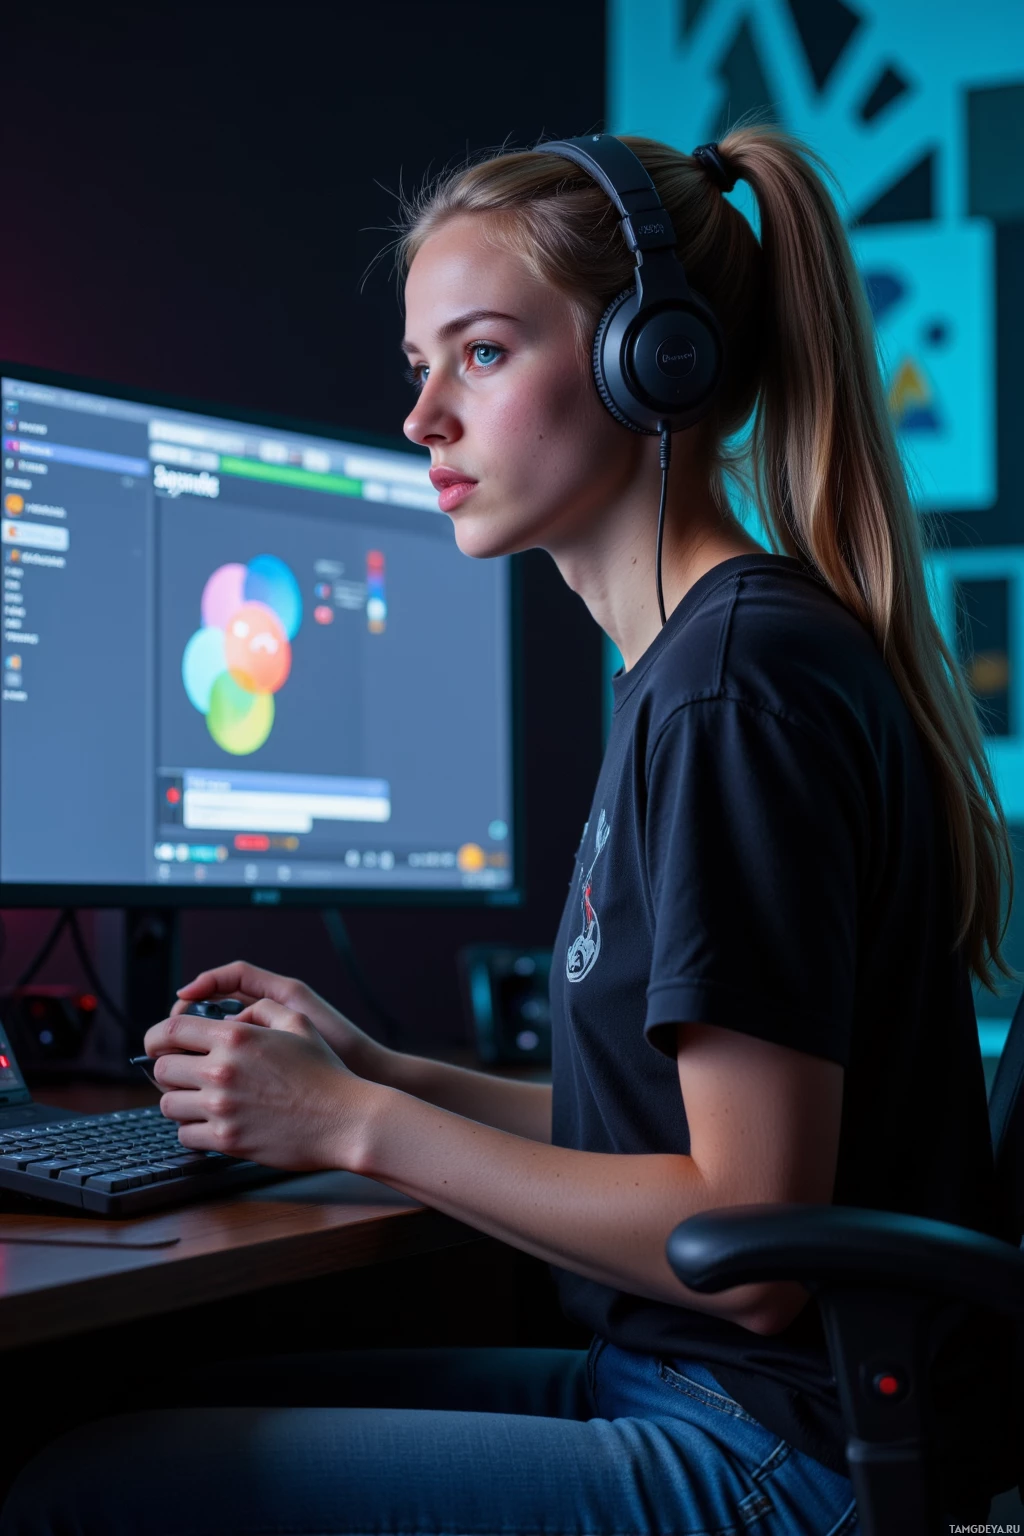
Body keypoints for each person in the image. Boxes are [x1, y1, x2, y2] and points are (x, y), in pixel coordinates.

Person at [1, 124, 1014, 1535]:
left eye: (478, 354)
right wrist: (381, 1068)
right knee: (125, 1406)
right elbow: (665, 1140)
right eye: (420, 367)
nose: (423, 419)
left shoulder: (732, 688)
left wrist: (353, 1124)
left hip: (777, 1459)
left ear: (656, 362)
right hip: (704, 1392)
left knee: (75, 1492)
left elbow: (752, 1235)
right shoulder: (696, 665)